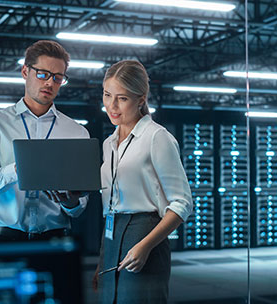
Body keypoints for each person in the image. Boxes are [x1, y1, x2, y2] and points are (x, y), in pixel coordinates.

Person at [0, 40, 89, 241]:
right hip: (5, 241)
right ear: (25, 72)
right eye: (43, 74)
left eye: (58, 78)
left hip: (55, 241)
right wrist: (18, 169)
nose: (50, 83)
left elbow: (78, 210)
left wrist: (71, 201)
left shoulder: (76, 132)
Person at [93, 60, 193, 303]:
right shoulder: (109, 144)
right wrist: (101, 260)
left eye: (122, 98)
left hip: (145, 234)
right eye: (107, 95)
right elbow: (111, 207)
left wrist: (145, 245)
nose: (112, 106)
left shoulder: (157, 137)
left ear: (141, 99)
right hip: (111, 236)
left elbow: (182, 204)